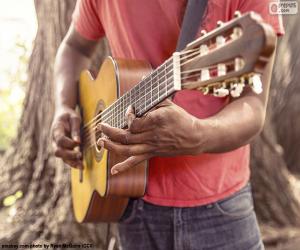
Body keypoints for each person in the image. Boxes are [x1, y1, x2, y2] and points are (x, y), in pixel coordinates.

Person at [51, 0, 284, 249]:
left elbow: (253, 105)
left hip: (220, 209)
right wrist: (63, 106)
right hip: (127, 200)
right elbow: (75, 47)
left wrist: (199, 135)